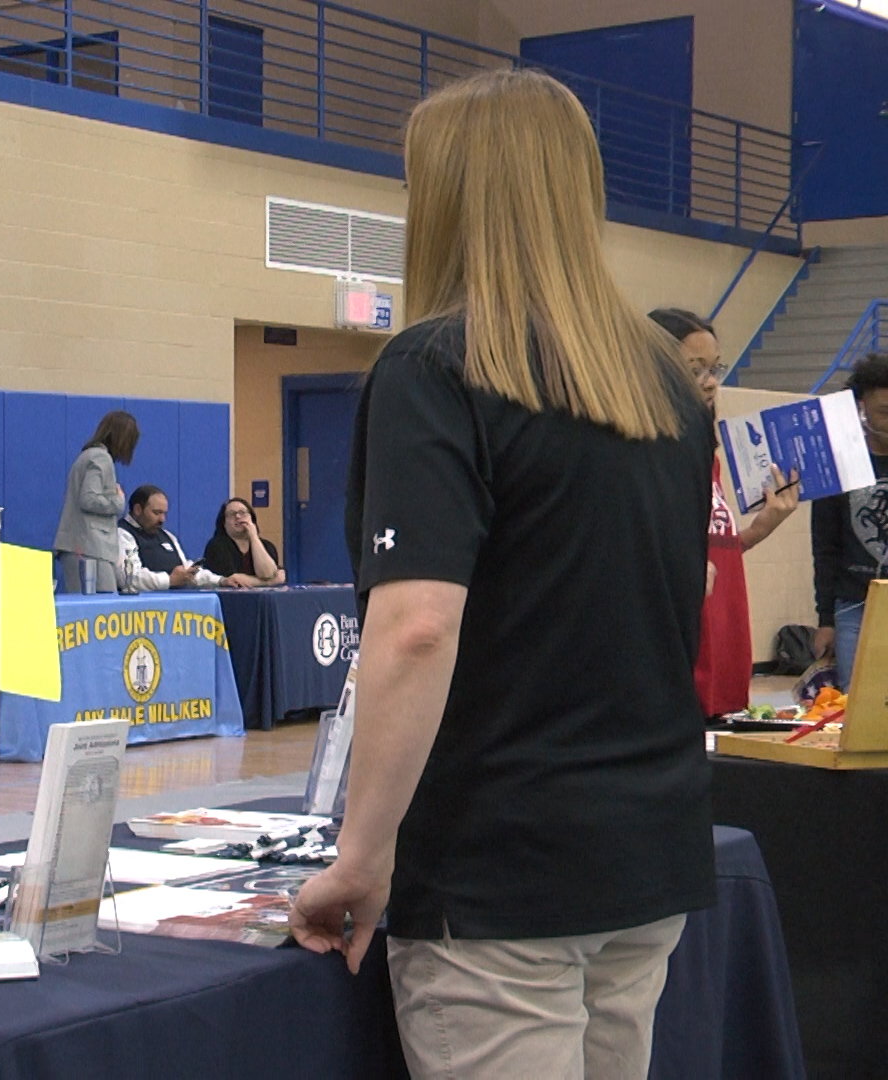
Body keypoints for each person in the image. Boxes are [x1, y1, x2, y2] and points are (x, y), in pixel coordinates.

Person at [290, 70, 716, 1079]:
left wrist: (363, 853)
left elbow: (416, 627)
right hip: (644, 851)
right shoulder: (663, 382)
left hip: (501, 871)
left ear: (444, 197)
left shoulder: (436, 367)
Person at [649, 308, 800, 717]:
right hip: (679, 667)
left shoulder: (704, 455)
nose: (711, 382)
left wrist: (759, 528)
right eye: (695, 369)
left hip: (724, 655)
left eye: (716, 368)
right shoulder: (643, 455)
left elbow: (712, 553)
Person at [812, 352, 888, 690]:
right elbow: (825, 547)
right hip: (854, 605)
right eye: (884, 412)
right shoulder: (838, 465)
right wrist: (826, 620)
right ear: (861, 410)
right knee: (856, 702)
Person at [53, 410, 137, 593]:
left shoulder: (86, 456)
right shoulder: (101, 458)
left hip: (80, 545)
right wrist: (118, 501)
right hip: (90, 547)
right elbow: (88, 499)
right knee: (103, 606)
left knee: (86, 607)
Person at [116, 485, 222, 591]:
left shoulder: (167, 535)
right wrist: (169, 580)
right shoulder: (122, 534)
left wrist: (221, 580)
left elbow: (186, 570)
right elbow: (128, 578)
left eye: (164, 513)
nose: (162, 519)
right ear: (138, 509)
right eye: (156, 513)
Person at [200, 497, 285, 587]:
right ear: (224, 523)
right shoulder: (217, 546)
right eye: (232, 514)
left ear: (252, 519)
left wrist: (254, 537)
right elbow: (235, 580)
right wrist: (269, 583)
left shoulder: (267, 546)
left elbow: (268, 574)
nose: (238, 517)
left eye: (242, 513)